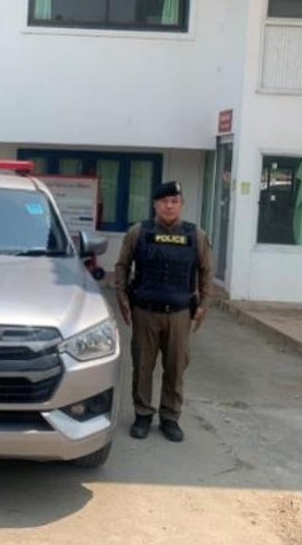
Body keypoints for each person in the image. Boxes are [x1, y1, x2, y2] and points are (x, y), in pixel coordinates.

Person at [114, 181, 212, 443]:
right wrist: (122, 298)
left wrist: (204, 305)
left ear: (181, 205)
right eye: (164, 201)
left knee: (176, 367)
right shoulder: (138, 232)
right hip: (145, 312)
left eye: (174, 201)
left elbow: (206, 272)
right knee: (142, 366)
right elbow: (122, 266)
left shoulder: (195, 235)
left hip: (179, 313)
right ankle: (142, 414)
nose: (169, 206)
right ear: (155, 204)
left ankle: (170, 417)